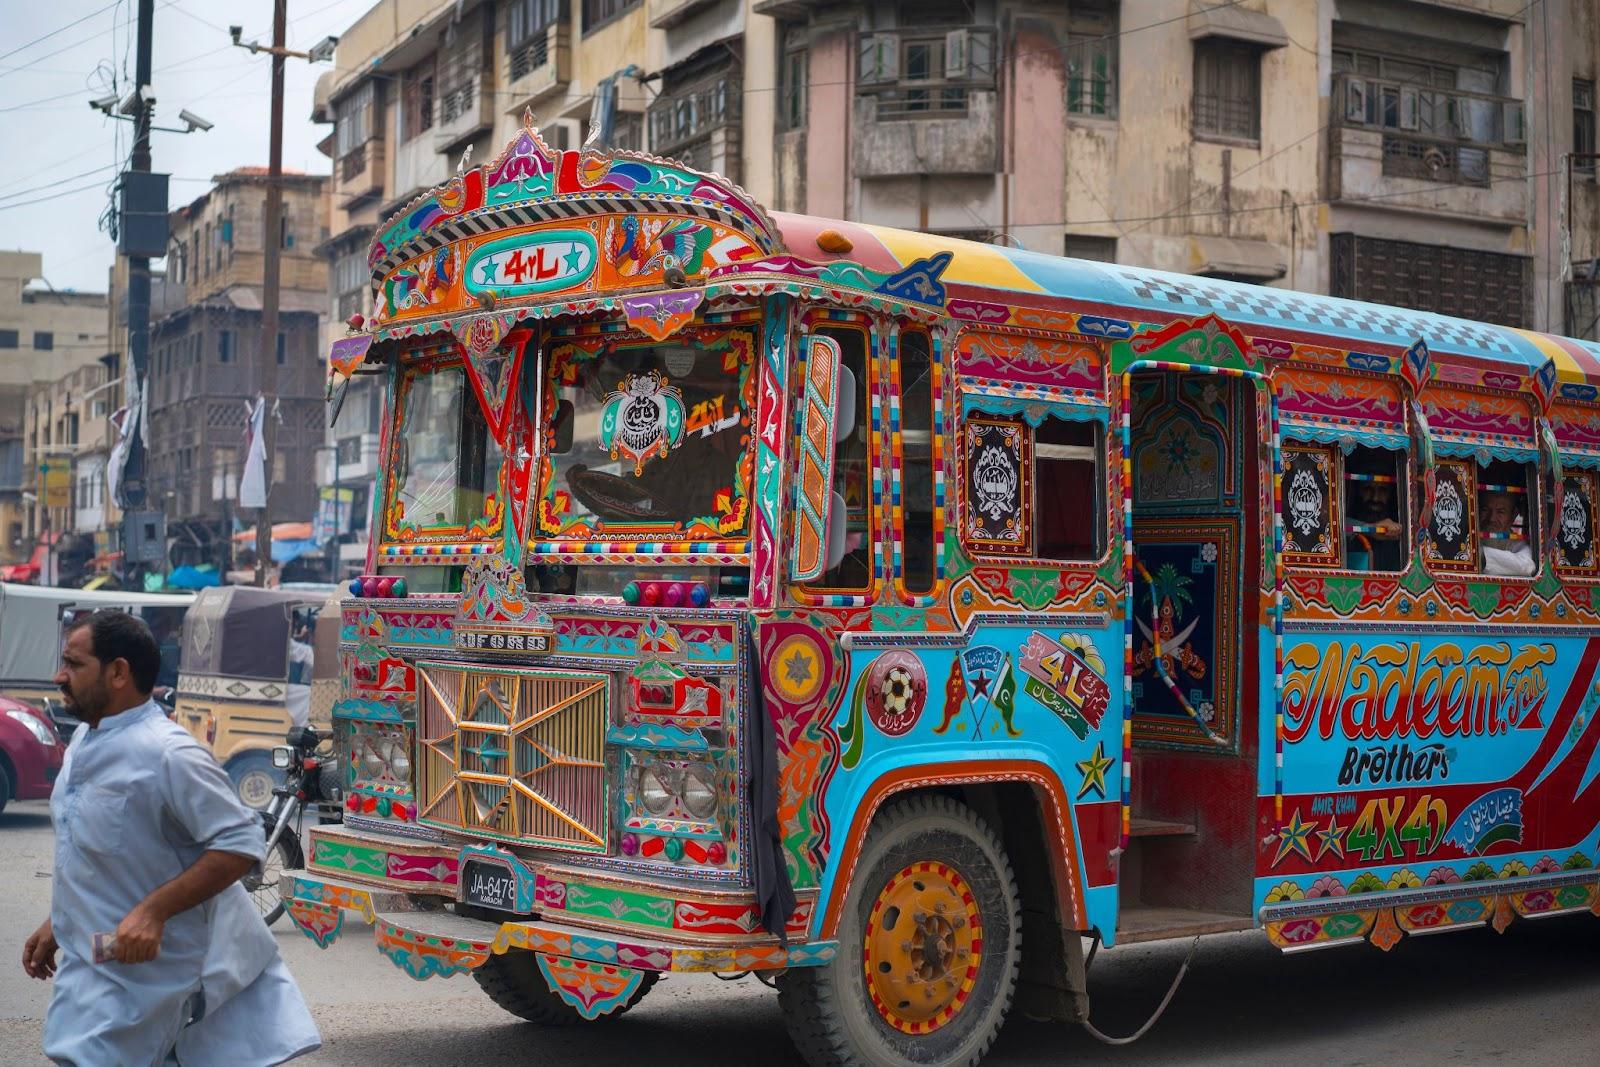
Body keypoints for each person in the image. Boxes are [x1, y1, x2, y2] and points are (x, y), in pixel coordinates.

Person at [21, 610, 321, 1066]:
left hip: (148, 979)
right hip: (94, 966)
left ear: (118, 672)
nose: (60, 676)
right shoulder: (84, 738)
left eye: (74, 664)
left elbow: (241, 843)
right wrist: (60, 921)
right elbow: (95, 851)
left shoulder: (168, 753)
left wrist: (154, 911)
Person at [1480, 489, 1535, 576]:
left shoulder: (1515, 542)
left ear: (1513, 515)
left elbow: (1527, 566)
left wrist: (1478, 555)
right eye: (1485, 509)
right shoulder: (1468, 539)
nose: (1491, 518)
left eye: (1500, 512)